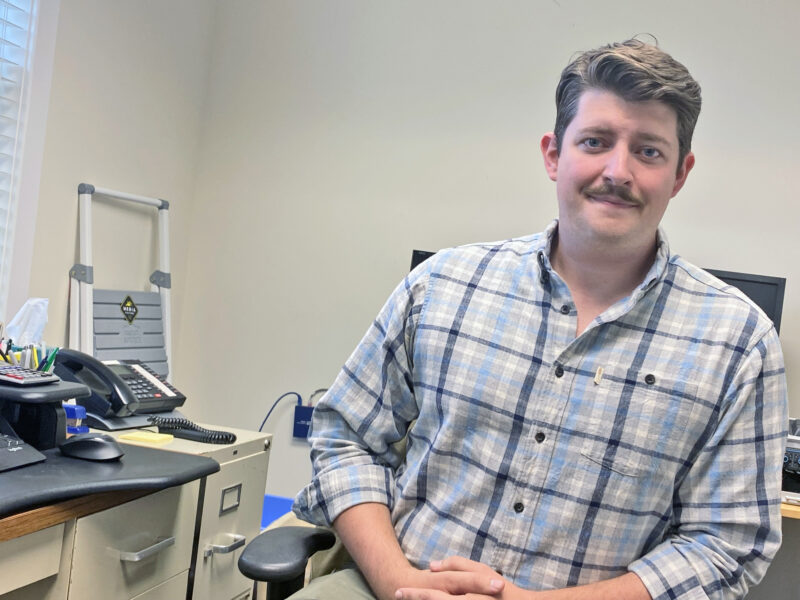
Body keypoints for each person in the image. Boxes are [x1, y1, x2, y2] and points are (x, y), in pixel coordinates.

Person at [292, 39, 788, 600]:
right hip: (398, 583)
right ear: (554, 154)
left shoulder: (739, 342)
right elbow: (346, 438)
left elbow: (725, 543)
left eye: (648, 151)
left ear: (680, 174)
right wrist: (397, 581)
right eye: (595, 142)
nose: (617, 171)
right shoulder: (443, 284)